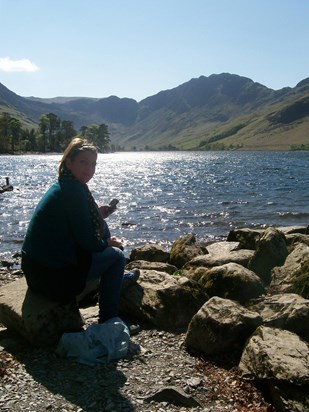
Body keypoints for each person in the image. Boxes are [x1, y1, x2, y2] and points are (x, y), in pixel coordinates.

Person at [21, 137, 139, 324]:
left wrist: (98, 215)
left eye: (93, 164)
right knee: (116, 256)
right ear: (69, 162)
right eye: (83, 162)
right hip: (49, 278)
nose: (89, 168)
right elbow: (89, 243)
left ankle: (113, 279)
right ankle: (109, 318)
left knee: (100, 223)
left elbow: (75, 226)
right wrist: (107, 243)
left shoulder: (64, 185)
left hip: (35, 270)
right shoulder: (74, 192)